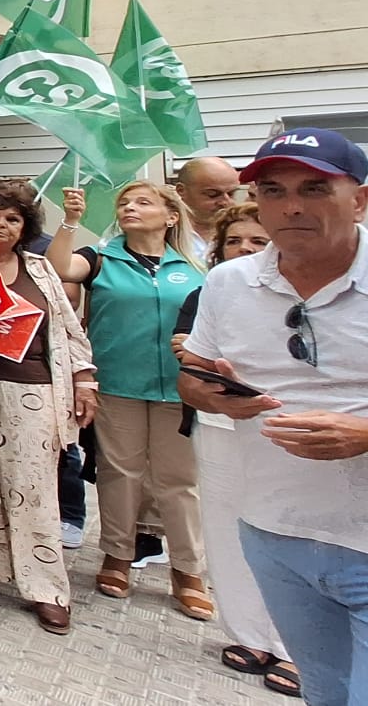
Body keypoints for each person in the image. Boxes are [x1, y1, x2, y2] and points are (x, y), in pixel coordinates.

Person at [182, 128, 368, 706]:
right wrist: (214, 395)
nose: (291, 206)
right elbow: (193, 377)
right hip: (274, 531)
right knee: (326, 692)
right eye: (273, 190)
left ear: (360, 199)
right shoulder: (226, 282)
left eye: (315, 189)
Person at [48, 180, 213, 618]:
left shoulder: (195, 266)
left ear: (171, 216)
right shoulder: (101, 257)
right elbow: (56, 269)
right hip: (117, 383)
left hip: (180, 387)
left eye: (143, 202)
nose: (130, 208)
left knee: (179, 481)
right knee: (120, 473)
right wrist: (71, 222)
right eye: (125, 203)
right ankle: (116, 557)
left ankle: (188, 571)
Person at [0, 180, 98, 635]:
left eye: (12, 219)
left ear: (24, 228)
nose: (1, 224)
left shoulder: (41, 270)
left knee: (32, 488)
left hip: (34, 390)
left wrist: (85, 378)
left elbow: (70, 330)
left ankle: (45, 588)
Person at [173, 202, 298, 697]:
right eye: (234, 241)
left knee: (289, 532)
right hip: (220, 424)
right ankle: (249, 634)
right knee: (227, 530)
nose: (245, 250)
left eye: (258, 241)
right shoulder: (214, 291)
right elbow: (188, 357)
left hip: (291, 428)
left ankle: (296, 645)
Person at [176, 156, 243, 252]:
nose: (225, 202)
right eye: (213, 194)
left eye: (231, 194)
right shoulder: (162, 232)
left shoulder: (247, 234)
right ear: (181, 191)